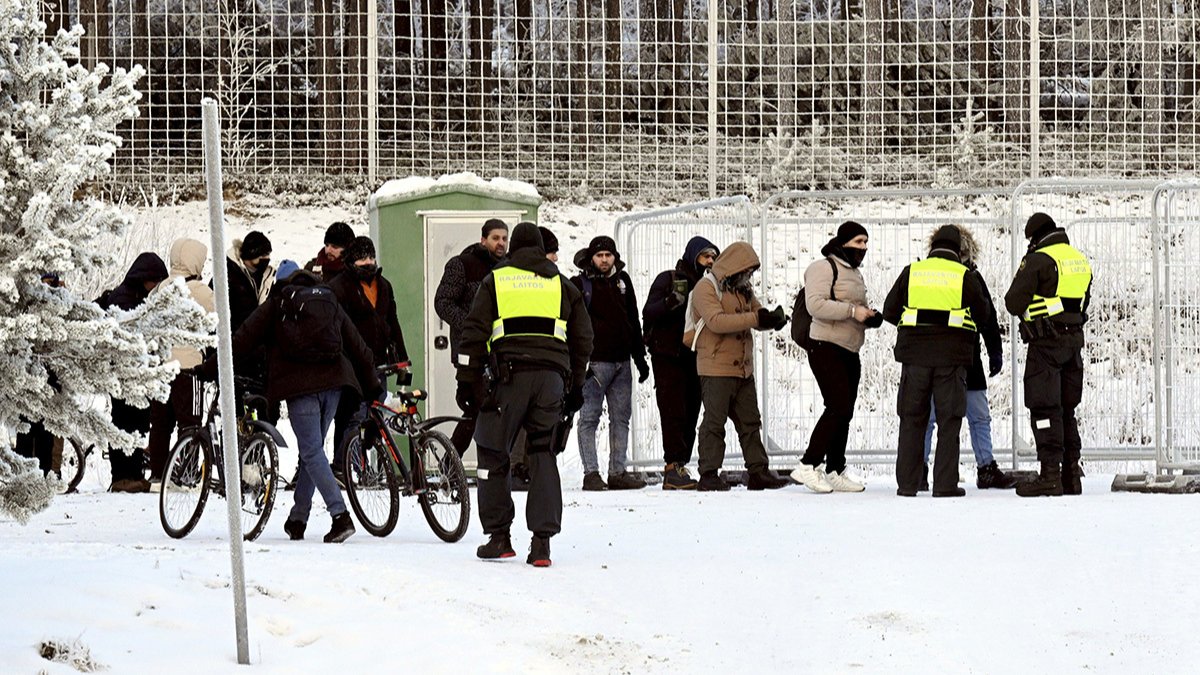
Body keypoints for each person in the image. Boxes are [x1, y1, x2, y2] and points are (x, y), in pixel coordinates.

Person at [203, 268, 382, 543]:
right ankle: (298, 518)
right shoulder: (328, 300)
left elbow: (243, 338)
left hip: (300, 387)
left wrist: (210, 367)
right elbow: (358, 346)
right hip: (334, 383)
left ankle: (340, 516)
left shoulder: (279, 302)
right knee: (314, 451)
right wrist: (373, 388)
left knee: (311, 451)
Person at [456, 223, 592, 567]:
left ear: (513, 248)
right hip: (551, 381)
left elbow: (474, 332)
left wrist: (467, 380)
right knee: (543, 452)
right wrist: (576, 385)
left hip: (508, 380)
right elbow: (583, 338)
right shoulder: (562, 284)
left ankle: (499, 537)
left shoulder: (496, 281)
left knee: (492, 452)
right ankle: (541, 544)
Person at [882, 225, 992, 497]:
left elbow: (889, 310)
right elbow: (984, 315)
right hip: (951, 360)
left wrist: (916, 326)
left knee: (912, 419)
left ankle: (908, 484)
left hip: (914, 359)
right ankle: (945, 485)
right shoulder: (964, 275)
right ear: (958, 249)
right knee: (949, 420)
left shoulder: (912, 272)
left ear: (932, 247)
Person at [920, 226, 1017, 491]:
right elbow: (987, 316)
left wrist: (995, 350)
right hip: (957, 357)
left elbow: (988, 316)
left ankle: (924, 469)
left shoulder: (933, 275)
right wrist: (994, 350)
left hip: (945, 358)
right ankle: (982, 468)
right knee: (969, 416)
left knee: (941, 417)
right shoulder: (966, 276)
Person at [789, 221, 883, 493]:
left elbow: (853, 309)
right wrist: (854, 312)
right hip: (825, 346)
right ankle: (808, 464)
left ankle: (834, 469)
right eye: (858, 242)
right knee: (838, 405)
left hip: (850, 349)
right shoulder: (823, 267)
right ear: (843, 243)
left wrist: (869, 317)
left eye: (866, 242)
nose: (863, 248)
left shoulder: (854, 272)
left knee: (846, 410)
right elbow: (815, 304)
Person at [690, 241, 790, 492]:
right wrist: (757, 317)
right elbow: (716, 321)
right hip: (716, 368)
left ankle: (758, 471)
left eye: (751, 272)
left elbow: (756, 314)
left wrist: (772, 319)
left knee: (750, 422)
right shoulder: (705, 287)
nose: (749, 276)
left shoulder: (742, 289)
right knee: (714, 423)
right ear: (734, 267)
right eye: (746, 270)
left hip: (743, 367)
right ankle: (708, 474)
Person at [1005, 213, 1093, 497]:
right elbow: (1082, 302)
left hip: (1045, 344)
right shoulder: (1079, 260)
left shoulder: (1038, 260)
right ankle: (1071, 476)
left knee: (1045, 409)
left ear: (1035, 237)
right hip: (1073, 343)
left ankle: (1050, 476)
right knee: (1067, 410)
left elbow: (1013, 302)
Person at [570, 235, 650, 491]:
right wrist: (577, 363)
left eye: (608, 255)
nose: (604, 260)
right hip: (593, 364)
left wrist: (640, 358)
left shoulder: (623, 281)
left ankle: (617, 472)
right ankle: (591, 473)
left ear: (615, 257)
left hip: (622, 363)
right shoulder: (579, 284)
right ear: (591, 257)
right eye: (599, 255)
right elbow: (572, 325)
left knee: (621, 419)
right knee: (589, 419)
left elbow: (632, 319)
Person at [641, 236, 720, 490]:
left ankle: (681, 465)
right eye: (705, 255)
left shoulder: (711, 285)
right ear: (693, 255)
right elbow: (648, 312)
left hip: (696, 356)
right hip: (668, 356)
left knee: (691, 411)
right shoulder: (668, 278)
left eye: (713, 257)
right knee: (673, 410)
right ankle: (672, 466)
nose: (710, 261)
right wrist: (670, 302)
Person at [328, 236, 409, 480]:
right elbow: (337, 328)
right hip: (351, 365)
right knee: (353, 417)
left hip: (379, 363)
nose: (369, 262)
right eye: (363, 258)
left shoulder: (384, 285)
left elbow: (392, 322)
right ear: (352, 261)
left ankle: (359, 466)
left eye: (371, 257)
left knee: (374, 417)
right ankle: (347, 466)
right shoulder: (339, 287)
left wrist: (402, 358)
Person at [97, 252, 170, 493]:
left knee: (138, 422)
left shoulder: (137, 297)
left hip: (137, 373)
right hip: (123, 373)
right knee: (124, 422)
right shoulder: (124, 299)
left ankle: (134, 474)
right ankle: (122, 476)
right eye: (155, 282)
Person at [435, 219, 509, 456]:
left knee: (489, 413)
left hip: (500, 352)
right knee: (477, 411)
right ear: (483, 239)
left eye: (504, 238)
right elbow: (443, 303)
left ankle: (456, 466)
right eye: (495, 238)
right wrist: (472, 325)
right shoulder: (462, 265)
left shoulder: (509, 269)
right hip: (470, 352)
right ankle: (454, 465)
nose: (501, 243)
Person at [147, 238, 215, 487]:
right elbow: (218, 319)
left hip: (161, 367)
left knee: (160, 424)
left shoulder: (160, 289)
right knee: (190, 425)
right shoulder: (201, 292)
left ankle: (158, 474)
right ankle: (186, 474)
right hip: (189, 369)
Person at [510, 224, 563, 492]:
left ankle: (524, 468)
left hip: (518, 364)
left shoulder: (504, 280)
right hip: (544, 365)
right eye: (551, 251)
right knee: (529, 422)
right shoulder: (557, 284)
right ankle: (522, 467)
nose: (555, 257)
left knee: (527, 421)